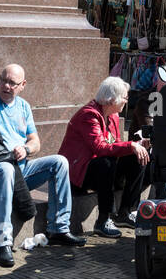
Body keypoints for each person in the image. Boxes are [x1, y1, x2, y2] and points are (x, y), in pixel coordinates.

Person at [0, 63, 85, 267]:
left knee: (59, 162)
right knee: (5, 169)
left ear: (23, 85)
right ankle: (2, 243)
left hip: (21, 169)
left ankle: (59, 228)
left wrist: (26, 149)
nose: (6, 86)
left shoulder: (23, 107)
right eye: (3, 80)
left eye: (12, 83)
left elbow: (35, 142)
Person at [59, 78, 150, 237]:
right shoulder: (89, 115)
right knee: (106, 163)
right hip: (79, 173)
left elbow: (115, 145)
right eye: (124, 97)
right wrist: (130, 146)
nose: (127, 100)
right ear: (112, 99)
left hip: (99, 169)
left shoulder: (112, 114)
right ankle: (103, 220)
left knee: (138, 156)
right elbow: (100, 148)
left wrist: (137, 145)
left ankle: (125, 212)